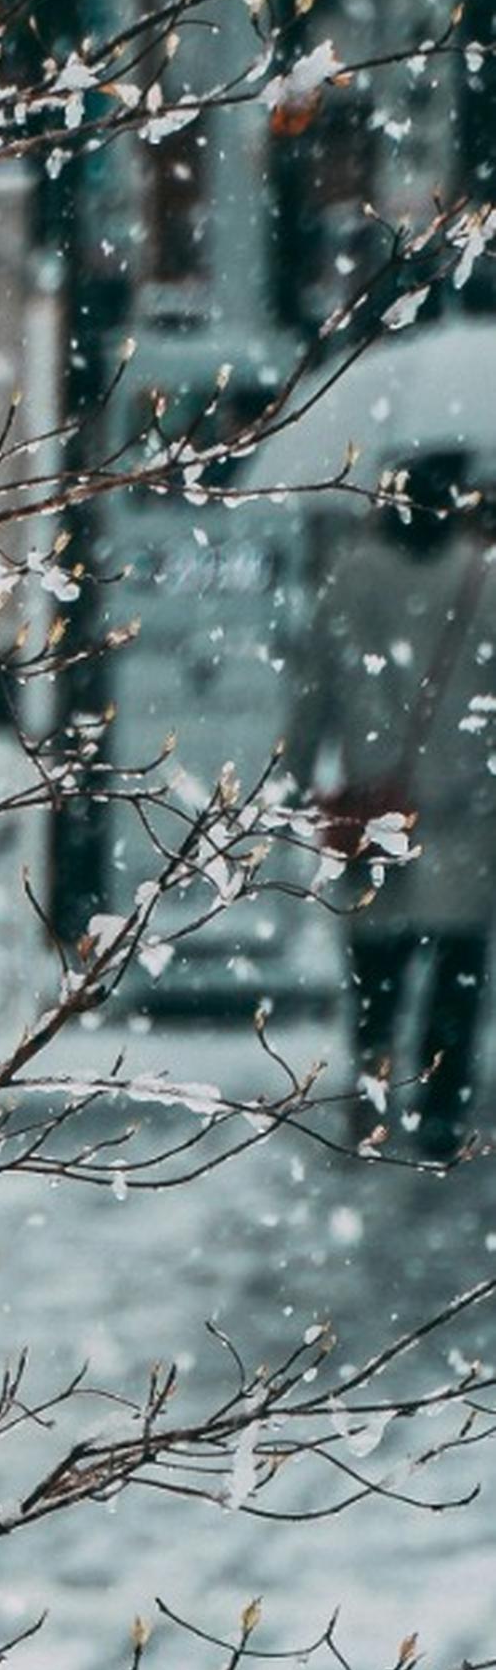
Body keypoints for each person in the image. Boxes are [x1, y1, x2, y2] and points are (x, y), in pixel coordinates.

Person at [291, 448, 496, 1162]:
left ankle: (373, 1101)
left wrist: (291, 768)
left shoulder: (350, 573)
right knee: (455, 975)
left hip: (377, 811)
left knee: (376, 973)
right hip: (467, 815)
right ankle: (440, 1111)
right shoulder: (485, 578)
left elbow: (314, 683)